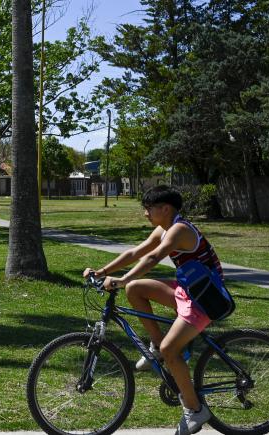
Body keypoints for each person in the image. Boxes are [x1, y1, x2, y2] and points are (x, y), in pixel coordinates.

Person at [83, 185, 224, 435]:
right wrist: (102, 271)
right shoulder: (166, 227)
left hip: (205, 298)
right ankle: (157, 348)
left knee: (173, 349)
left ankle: (194, 410)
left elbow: (153, 258)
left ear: (165, 209)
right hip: (188, 290)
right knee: (135, 289)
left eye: (148, 209)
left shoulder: (179, 230)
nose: (145, 214)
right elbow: (136, 252)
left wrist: (121, 279)